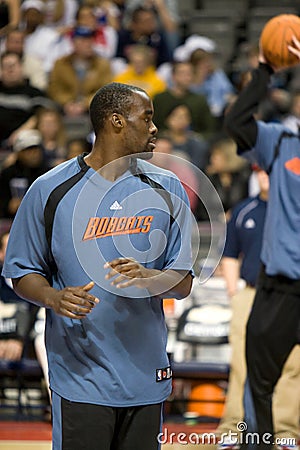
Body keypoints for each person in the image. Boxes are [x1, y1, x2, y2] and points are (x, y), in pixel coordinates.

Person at [2, 82, 194, 450]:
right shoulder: (49, 189)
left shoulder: (168, 188)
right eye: (147, 118)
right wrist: (54, 298)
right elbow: (21, 272)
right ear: (116, 122)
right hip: (80, 375)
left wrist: (151, 277)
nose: (155, 128)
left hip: (146, 375)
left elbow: (182, 282)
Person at [224, 38, 300, 449]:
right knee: (259, 386)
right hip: (279, 290)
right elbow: (236, 122)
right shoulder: (283, 144)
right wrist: (266, 71)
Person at [217, 167, 300, 448]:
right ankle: (233, 429)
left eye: (271, 172)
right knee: (241, 364)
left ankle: (285, 433)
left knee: (293, 365)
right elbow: (229, 254)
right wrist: (234, 293)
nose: (265, 176)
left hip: (291, 296)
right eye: (261, 172)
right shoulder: (243, 211)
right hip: (250, 295)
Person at [0, 129, 49, 218]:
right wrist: (8, 205)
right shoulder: (7, 173)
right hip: (11, 220)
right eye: (29, 150)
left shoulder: (48, 173)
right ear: (19, 152)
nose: (34, 154)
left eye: (37, 149)